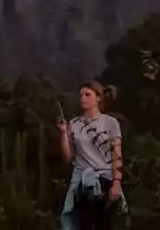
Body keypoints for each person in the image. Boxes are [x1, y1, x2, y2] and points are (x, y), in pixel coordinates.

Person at [57, 80, 126, 230]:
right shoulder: (74, 123)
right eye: (81, 95)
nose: (83, 98)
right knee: (84, 224)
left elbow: (117, 154)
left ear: (98, 97)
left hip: (105, 179)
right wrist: (64, 133)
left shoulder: (110, 122)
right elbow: (68, 157)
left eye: (87, 94)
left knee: (105, 224)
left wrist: (116, 183)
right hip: (83, 182)